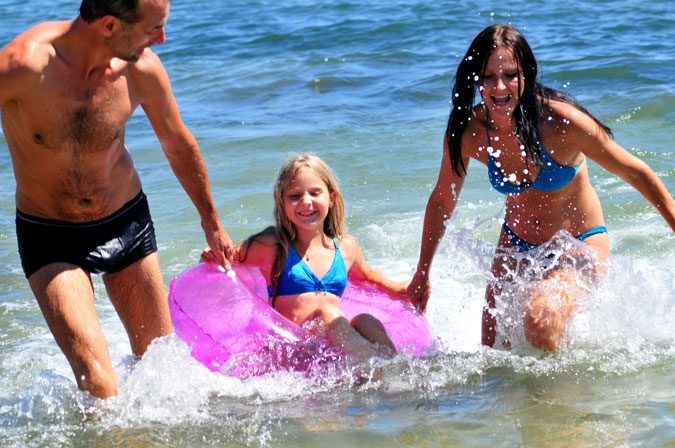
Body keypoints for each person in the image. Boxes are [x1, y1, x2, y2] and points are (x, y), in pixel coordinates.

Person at [0, 0, 233, 399]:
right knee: (99, 384)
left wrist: (210, 222)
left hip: (126, 223)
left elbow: (178, 144)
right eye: (152, 29)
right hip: (51, 237)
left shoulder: (142, 70)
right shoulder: (23, 66)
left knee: (163, 371)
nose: (161, 39)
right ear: (109, 25)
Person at [408, 24, 675, 350]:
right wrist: (422, 273)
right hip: (515, 246)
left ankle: (564, 400)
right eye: (488, 76)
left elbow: (636, 172)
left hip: (577, 245)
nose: (499, 86)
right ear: (475, 79)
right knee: (492, 355)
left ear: (526, 75)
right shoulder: (470, 131)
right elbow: (441, 202)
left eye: (510, 74)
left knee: (540, 321)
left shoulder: (561, 123)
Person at [202, 154, 408, 363]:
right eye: (295, 195)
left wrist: (398, 289)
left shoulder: (345, 248)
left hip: (332, 349)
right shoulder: (271, 245)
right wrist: (213, 255)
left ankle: (399, 372)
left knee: (367, 321)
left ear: (332, 198)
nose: (306, 201)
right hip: (294, 350)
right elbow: (228, 257)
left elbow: (368, 276)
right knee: (327, 314)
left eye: (315, 193)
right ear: (282, 203)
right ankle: (378, 371)